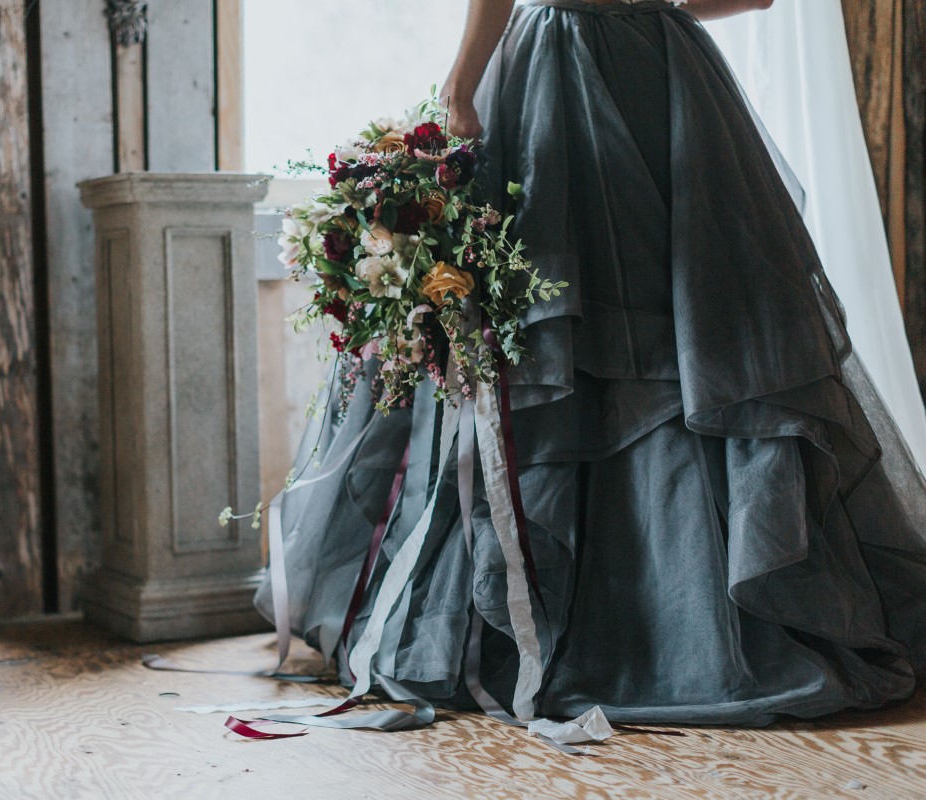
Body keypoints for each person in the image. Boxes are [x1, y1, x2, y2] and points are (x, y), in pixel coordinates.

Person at [255, 0, 926, 728]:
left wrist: (458, 89)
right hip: (665, 74)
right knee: (687, 338)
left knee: (550, 336)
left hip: (554, 70)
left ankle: (577, 632)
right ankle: (701, 629)